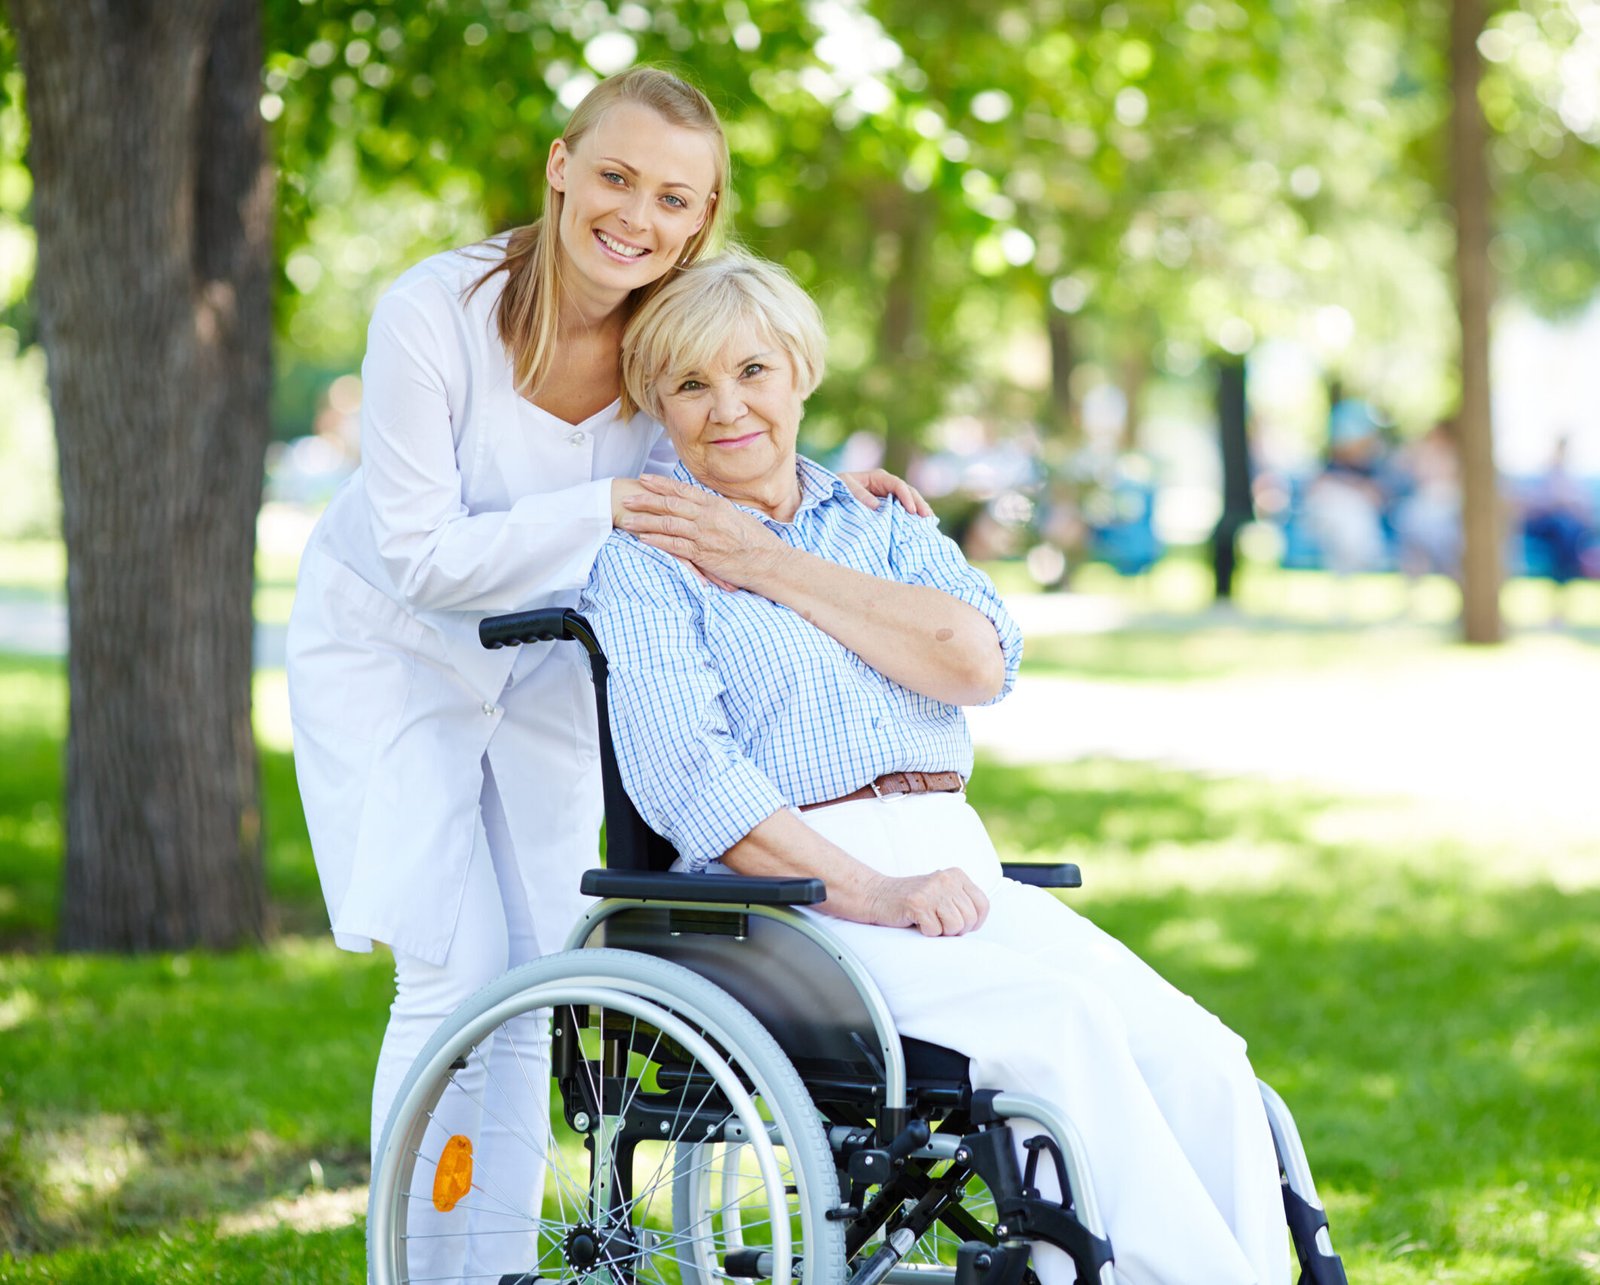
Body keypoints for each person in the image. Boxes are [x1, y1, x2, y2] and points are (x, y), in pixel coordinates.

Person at [284, 67, 923, 1281]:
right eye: (617, 177)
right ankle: (412, 1269)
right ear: (561, 168)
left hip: (544, 662)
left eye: (675, 198)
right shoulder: (435, 312)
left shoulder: (670, 328)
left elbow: (735, 426)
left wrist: (838, 487)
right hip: (393, 652)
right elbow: (420, 557)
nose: (638, 216)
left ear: (705, 213)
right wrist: (608, 506)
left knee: (539, 979)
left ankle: (484, 1266)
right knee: (450, 967)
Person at [580, 253, 1292, 1285]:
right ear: (657, 401)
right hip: (791, 901)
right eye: (691, 384)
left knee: (1203, 1057)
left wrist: (763, 561)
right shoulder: (642, 559)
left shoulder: (882, 526)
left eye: (752, 371)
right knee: (1063, 1029)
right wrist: (872, 888)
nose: (727, 408)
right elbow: (686, 774)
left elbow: (975, 662)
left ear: (800, 375)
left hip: (957, 867)